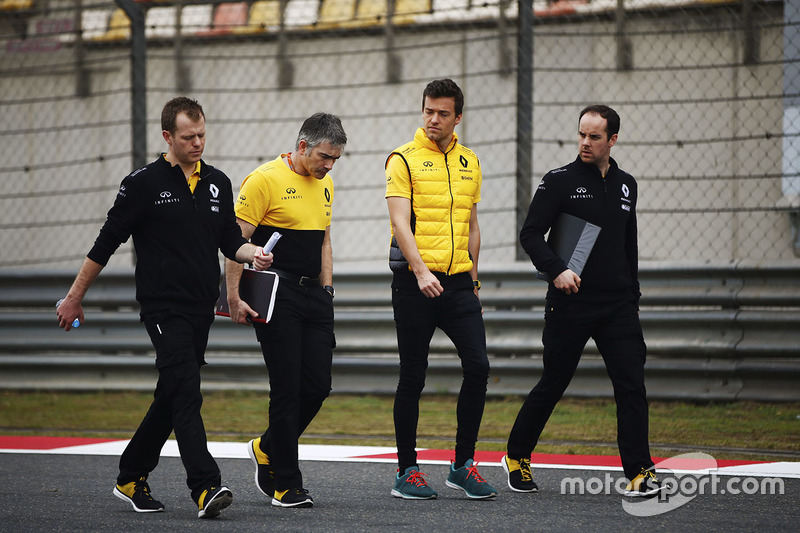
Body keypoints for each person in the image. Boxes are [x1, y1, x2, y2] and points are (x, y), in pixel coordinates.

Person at [55, 97, 272, 518]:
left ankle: (131, 475)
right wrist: (74, 296)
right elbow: (105, 242)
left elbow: (230, 240)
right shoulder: (142, 183)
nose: (198, 143)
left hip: (200, 308)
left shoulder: (217, 182)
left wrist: (253, 254)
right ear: (167, 137)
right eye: (189, 137)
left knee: (171, 392)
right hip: (161, 309)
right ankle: (205, 487)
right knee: (187, 391)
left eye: (203, 135)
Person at [503, 105, 664, 497]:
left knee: (631, 385)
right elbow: (530, 235)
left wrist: (634, 295)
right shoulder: (558, 181)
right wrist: (557, 270)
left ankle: (640, 470)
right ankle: (517, 455)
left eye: (594, 136)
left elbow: (630, 245)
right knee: (554, 381)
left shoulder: (627, 184)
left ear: (613, 139)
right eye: (581, 135)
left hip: (618, 306)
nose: (585, 143)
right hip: (570, 302)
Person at [225, 113, 347, 509]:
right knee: (288, 388)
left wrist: (327, 288)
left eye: (335, 159)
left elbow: (325, 242)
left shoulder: (325, 183)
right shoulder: (263, 180)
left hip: (315, 296)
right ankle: (285, 483)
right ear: (302, 147)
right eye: (325, 157)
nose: (329, 165)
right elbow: (233, 242)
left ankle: (266, 447)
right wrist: (232, 296)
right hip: (277, 296)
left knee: (317, 386)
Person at [385, 78, 497, 500]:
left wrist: (472, 281)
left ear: (458, 117)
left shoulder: (470, 160)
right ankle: (406, 471)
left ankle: (463, 465)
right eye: (428, 110)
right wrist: (419, 271)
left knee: (480, 368)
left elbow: (471, 225)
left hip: (459, 285)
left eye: (443, 113)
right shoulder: (403, 159)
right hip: (415, 284)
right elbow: (399, 221)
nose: (434, 119)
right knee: (413, 375)